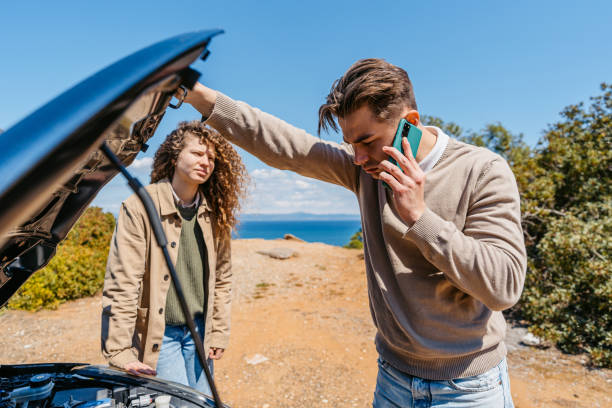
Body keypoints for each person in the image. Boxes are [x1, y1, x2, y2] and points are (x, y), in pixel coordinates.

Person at [180, 58, 525, 407]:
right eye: (350, 144)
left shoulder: (482, 170)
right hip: (393, 378)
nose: (357, 158)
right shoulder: (367, 170)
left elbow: (503, 286)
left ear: (411, 124)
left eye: (367, 141)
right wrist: (198, 95)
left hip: (468, 387)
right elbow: (287, 145)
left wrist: (420, 216)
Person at [101, 121, 248, 395]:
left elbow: (223, 279)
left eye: (211, 157)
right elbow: (123, 281)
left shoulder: (216, 213)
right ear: (175, 155)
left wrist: (218, 332)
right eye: (197, 153)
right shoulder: (140, 205)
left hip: (200, 333)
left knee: (202, 401)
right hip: (161, 335)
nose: (205, 161)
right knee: (178, 403)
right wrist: (119, 350)